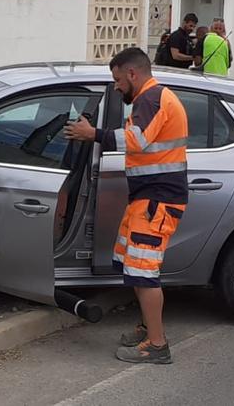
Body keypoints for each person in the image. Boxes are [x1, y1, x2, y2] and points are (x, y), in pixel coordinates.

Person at [64, 47, 188, 365]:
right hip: (147, 200)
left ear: (132, 73)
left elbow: (137, 140)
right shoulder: (150, 98)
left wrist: (93, 134)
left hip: (157, 201)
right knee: (132, 267)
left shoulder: (152, 97)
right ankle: (149, 329)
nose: (116, 87)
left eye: (118, 80)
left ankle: (157, 345)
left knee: (143, 273)